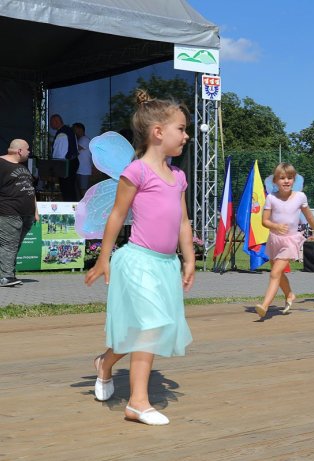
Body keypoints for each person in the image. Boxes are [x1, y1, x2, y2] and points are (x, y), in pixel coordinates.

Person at [84, 89, 195, 426]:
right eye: (181, 128)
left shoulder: (178, 177)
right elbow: (117, 216)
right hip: (137, 261)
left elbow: (183, 221)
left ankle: (105, 363)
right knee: (148, 327)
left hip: (165, 265)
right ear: (158, 132)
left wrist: (189, 258)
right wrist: (104, 258)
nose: (186, 135)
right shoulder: (137, 172)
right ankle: (138, 403)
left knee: (147, 328)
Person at [255, 163, 314, 318]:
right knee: (278, 274)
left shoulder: (300, 196)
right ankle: (289, 294)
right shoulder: (271, 198)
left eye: (290, 178)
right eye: (282, 178)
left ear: (294, 180)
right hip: (274, 239)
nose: (286, 181)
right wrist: (275, 226)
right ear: (275, 181)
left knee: (274, 273)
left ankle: (264, 306)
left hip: (290, 240)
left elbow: (309, 216)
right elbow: (264, 221)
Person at [0, 139, 39, 287]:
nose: (29, 152)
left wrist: (36, 210)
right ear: (20, 151)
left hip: (26, 214)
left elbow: (30, 189)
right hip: (8, 211)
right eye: (28, 149)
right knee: (9, 244)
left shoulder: (22, 167)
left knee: (13, 245)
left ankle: (8, 273)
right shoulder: (1, 164)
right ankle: (6, 277)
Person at [50, 114, 80, 201]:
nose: (51, 125)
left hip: (66, 164)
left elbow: (60, 153)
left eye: (52, 123)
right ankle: (73, 208)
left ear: (56, 121)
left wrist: (55, 166)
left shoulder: (62, 133)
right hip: (72, 162)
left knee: (66, 189)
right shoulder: (68, 130)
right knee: (70, 188)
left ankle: (70, 209)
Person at [72, 122, 93, 199]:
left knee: (84, 190)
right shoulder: (80, 139)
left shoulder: (85, 139)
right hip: (80, 170)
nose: (73, 131)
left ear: (80, 129)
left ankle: (85, 208)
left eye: (75, 129)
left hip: (84, 171)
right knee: (80, 191)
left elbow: (76, 149)